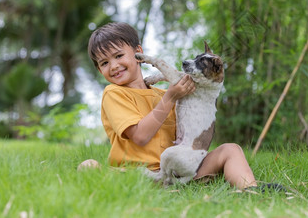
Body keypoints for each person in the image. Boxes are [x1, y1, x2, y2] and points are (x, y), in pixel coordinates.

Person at [81, 22, 284, 192]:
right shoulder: (114, 94)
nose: (114, 66)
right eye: (104, 63)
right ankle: (135, 188)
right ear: (99, 69)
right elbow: (140, 136)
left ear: (138, 53)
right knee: (88, 166)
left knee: (230, 150)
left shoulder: (165, 94)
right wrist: (170, 96)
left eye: (118, 56)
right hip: (136, 174)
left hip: (179, 173)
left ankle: (250, 190)